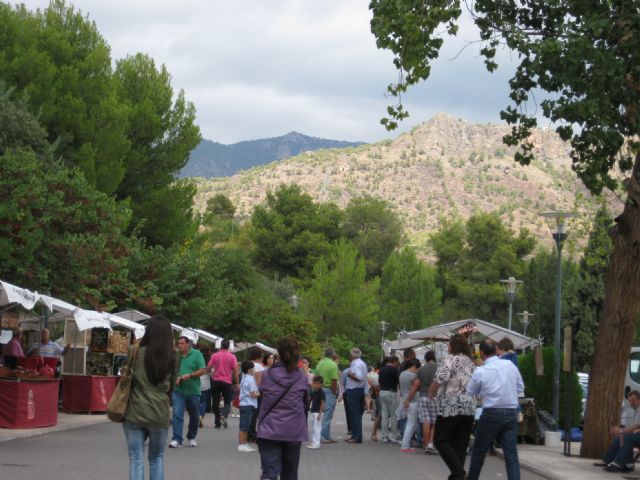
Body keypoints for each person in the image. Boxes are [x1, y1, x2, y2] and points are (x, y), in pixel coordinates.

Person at [122, 315, 178, 480]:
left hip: (134, 409)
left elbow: (126, 377)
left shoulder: (135, 350)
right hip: (159, 411)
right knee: (156, 458)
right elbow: (173, 384)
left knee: (136, 458)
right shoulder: (173, 356)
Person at [467, 338, 524, 480]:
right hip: (511, 412)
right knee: (511, 455)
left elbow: (470, 391)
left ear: (481, 353)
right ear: (496, 350)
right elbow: (520, 388)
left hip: (491, 412)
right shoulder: (510, 366)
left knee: (479, 452)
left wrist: (483, 392)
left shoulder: (481, 371)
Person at [257, 336, 309, 480]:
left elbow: (261, 400)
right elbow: (305, 404)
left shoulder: (266, 375)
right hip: (293, 431)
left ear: (278, 353)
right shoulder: (302, 378)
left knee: (269, 472)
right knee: (290, 474)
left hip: (269, 429)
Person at [428, 334, 476, 480]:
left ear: (453, 345)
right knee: (460, 444)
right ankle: (457, 476)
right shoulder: (471, 362)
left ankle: (460, 473)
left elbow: (440, 378)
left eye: (449, 344)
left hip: (451, 406)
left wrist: (431, 392)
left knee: (440, 440)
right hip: (469, 406)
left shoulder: (449, 359)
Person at [169, 336, 206, 448]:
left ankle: (192, 436)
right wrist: (174, 377)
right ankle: (177, 439)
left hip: (193, 390)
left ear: (188, 344)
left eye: (181, 343)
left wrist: (190, 375)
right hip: (178, 390)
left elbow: (203, 370)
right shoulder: (176, 355)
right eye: (178, 343)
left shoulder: (197, 354)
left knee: (194, 415)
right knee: (177, 414)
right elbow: (170, 369)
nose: (179, 345)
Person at [595, 390, 640, 473]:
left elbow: (637, 426)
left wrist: (621, 431)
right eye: (630, 401)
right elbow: (635, 427)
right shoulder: (636, 410)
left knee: (627, 437)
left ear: (639, 399)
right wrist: (621, 430)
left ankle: (617, 463)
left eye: (633, 400)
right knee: (620, 438)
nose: (631, 403)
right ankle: (625, 463)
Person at [405, 350, 438, 453]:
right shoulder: (439, 368)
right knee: (435, 421)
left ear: (426, 359)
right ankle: (431, 444)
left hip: (423, 397)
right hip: (436, 397)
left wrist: (408, 399)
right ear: (434, 358)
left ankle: (426, 444)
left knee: (426, 422)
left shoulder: (421, 369)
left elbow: (415, 385)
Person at [208, 339, 239, 429]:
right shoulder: (232, 357)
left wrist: (212, 373)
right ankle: (224, 415)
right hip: (227, 382)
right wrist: (237, 383)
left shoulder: (215, 355)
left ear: (220, 345)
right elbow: (236, 371)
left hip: (216, 381)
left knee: (215, 402)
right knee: (227, 401)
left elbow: (208, 367)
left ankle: (217, 422)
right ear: (228, 346)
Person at [315, 347, 339, 443]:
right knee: (328, 414)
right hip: (329, 390)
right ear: (332, 354)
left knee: (322, 412)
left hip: (320, 388)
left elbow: (316, 377)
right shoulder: (333, 365)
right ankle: (323, 436)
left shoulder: (320, 363)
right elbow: (334, 380)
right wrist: (334, 392)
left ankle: (326, 435)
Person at [345, 347, 368, 444]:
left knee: (355, 415)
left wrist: (350, 375)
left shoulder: (356, 364)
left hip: (354, 390)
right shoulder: (361, 363)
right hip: (359, 390)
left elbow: (359, 377)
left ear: (351, 355)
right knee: (355, 414)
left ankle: (357, 437)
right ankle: (355, 435)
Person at [238, 360, 260, 452]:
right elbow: (253, 394)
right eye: (252, 370)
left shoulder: (243, 377)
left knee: (245, 426)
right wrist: (260, 393)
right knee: (244, 426)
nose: (253, 371)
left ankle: (244, 443)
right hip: (248, 404)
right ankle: (242, 445)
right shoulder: (250, 379)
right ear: (248, 370)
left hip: (244, 403)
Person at [400, 359, 421, 452]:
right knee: (411, 424)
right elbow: (415, 387)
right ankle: (405, 445)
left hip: (404, 399)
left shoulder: (402, 374)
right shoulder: (413, 375)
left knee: (411, 423)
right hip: (412, 400)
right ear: (412, 367)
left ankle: (405, 444)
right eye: (415, 367)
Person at [378, 355, 400, 443]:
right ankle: (393, 435)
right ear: (394, 361)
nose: (398, 364)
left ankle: (384, 436)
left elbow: (379, 381)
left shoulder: (382, 369)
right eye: (397, 362)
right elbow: (397, 381)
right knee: (393, 415)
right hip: (391, 393)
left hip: (382, 392)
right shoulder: (394, 370)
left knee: (384, 415)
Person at [306, 375, 325, 449]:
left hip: (318, 412)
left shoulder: (322, 393)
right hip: (313, 411)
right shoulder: (314, 392)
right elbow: (309, 399)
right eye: (314, 383)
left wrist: (320, 413)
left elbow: (322, 403)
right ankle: (314, 442)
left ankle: (316, 444)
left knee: (317, 428)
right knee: (314, 428)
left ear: (321, 384)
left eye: (318, 383)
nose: (316, 385)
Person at [199, 345, 212, 428]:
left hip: (196, 380)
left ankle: (196, 415)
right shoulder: (209, 359)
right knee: (203, 402)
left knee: (196, 401)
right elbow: (211, 371)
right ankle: (201, 416)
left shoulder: (198, 358)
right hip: (206, 382)